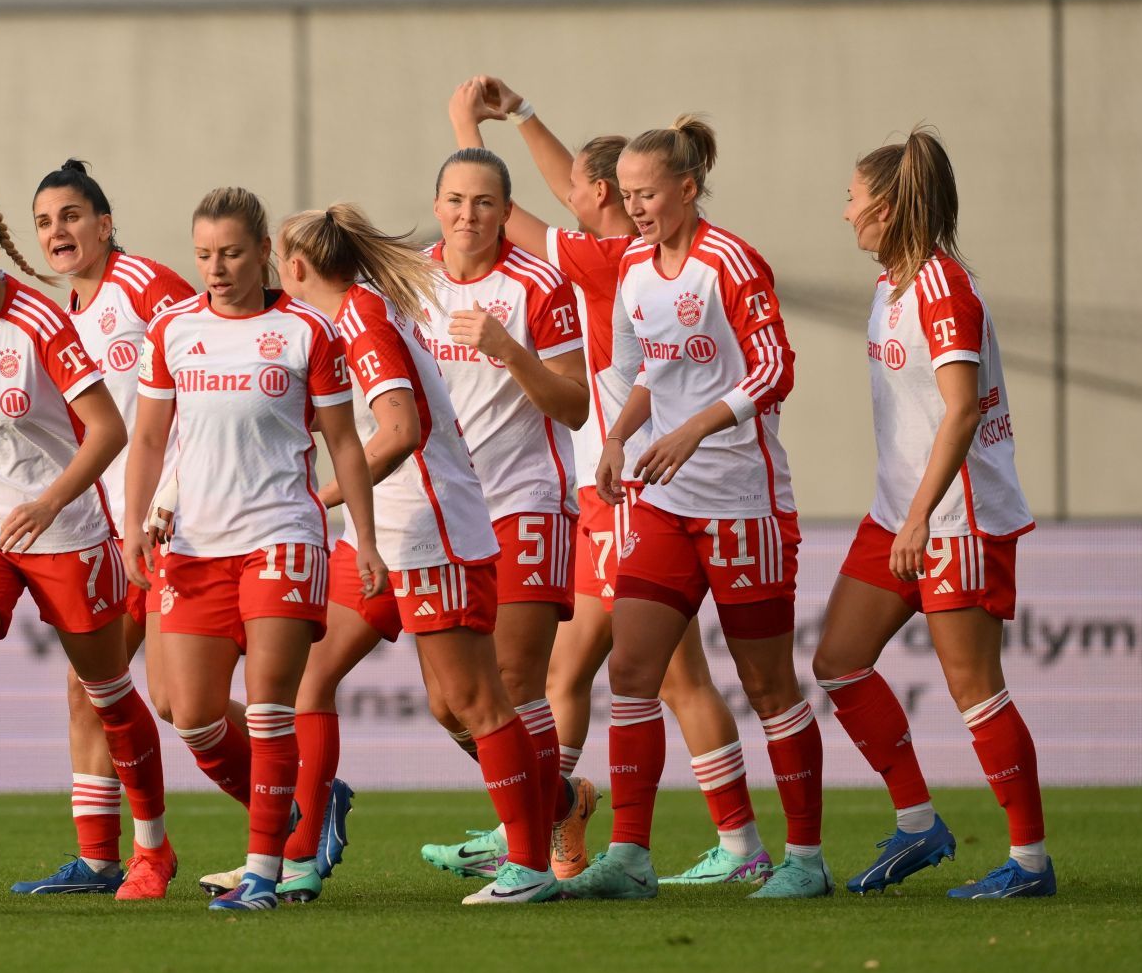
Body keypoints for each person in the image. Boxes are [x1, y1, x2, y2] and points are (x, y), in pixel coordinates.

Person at [444, 77, 774, 887]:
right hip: (616, 487)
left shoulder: (601, 261)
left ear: (602, 198)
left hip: (633, 489)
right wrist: (520, 114)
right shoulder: (619, 256)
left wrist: (468, 123)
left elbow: (498, 205)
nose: (574, 195)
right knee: (576, 675)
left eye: (584, 189)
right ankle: (547, 815)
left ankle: (719, 843)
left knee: (657, 674)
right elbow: (536, 192)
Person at [571, 115, 830, 901]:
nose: (637, 207)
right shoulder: (638, 272)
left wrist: (692, 429)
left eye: (649, 194)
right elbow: (650, 366)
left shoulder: (731, 260)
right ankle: (630, 856)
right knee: (632, 670)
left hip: (741, 503)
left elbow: (776, 367)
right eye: (629, 196)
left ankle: (806, 861)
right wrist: (619, 435)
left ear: (688, 188)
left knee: (768, 686)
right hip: (664, 501)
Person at [275, 202, 562, 905]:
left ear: (298, 266)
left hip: (430, 525)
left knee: (469, 698)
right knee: (310, 677)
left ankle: (529, 864)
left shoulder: (362, 319)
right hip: (386, 529)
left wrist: (325, 494)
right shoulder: (350, 313)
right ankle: (296, 858)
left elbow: (403, 428)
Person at [0, 177, 175, 904]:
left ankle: (152, 849)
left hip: (68, 532)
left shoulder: (41, 323)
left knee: (108, 695)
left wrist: (52, 500)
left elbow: (110, 430)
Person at [122, 186, 382, 911]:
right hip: (195, 545)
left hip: (281, 537)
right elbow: (147, 438)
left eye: (231, 252)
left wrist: (363, 538)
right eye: (204, 254)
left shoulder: (305, 331)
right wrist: (133, 522)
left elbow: (346, 444)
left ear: (265, 251)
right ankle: (297, 810)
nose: (215, 267)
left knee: (270, 710)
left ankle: (264, 871)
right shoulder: (173, 329)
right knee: (193, 713)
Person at [814, 128, 1049, 898]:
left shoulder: (943, 288)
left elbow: (958, 413)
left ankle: (1029, 862)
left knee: (974, 686)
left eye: (852, 198)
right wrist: (902, 513)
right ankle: (919, 825)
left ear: (883, 208)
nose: (844, 211)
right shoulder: (892, 285)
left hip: (956, 518)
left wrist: (918, 519)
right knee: (838, 662)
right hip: (901, 512)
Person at [0, 158, 215, 896]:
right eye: (45, 222)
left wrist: (170, 494)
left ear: (105, 223)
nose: (59, 232)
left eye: (72, 216)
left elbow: (212, 371)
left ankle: (304, 791)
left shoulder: (145, 286)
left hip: (174, 524)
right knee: (93, 687)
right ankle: (101, 858)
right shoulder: (59, 318)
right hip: (113, 534)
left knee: (180, 703)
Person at [411, 146, 594, 881]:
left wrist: (511, 352)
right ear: (436, 207)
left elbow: (577, 405)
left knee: (514, 683)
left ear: (504, 211)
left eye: (484, 202)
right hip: (443, 511)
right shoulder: (411, 280)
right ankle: (558, 807)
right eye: (455, 200)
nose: (468, 215)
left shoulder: (538, 284)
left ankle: (530, 856)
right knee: (449, 703)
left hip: (526, 500)